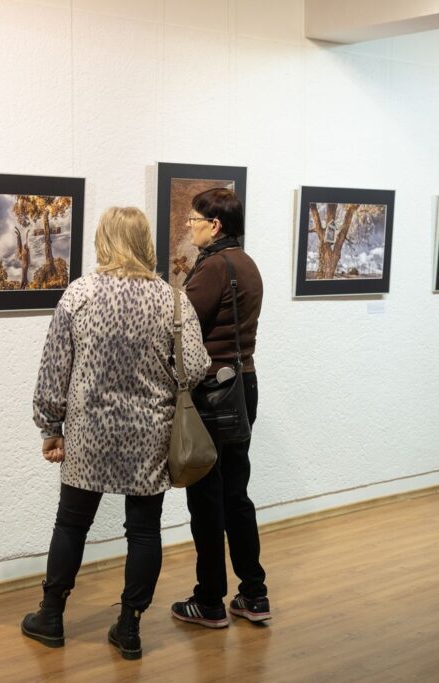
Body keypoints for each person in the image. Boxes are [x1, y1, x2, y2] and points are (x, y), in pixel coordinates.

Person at [22, 206, 211, 660]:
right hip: (150, 433)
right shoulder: (172, 300)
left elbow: (54, 370)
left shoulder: (80, 294)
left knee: (71, 524)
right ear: (146, 242)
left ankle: (51, 616)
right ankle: (129, 627)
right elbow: (196, 367)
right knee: (143, 531)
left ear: (103, 240)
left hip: (88, 431)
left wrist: (50, 426)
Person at [170, 187, 270, 628]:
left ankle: (209, 599)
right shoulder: (246, 263)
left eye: (194, 219)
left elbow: (178, 325)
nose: (187, 226)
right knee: (236, 494)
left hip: (213, 391)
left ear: (215, 225)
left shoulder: (213, 267)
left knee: (207, 498)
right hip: (242, 386)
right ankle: (254, 594)